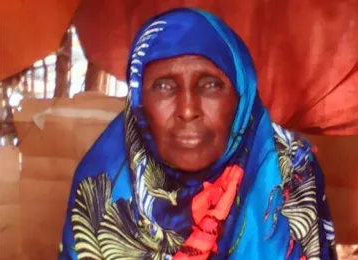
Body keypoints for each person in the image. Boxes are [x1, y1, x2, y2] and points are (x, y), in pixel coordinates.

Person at [59, 8, 336, 260]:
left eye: (211, 85)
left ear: (241, 95)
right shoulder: (101, 182)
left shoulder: (291, 173)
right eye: (164, 86)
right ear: (139, 100)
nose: (188, 110)